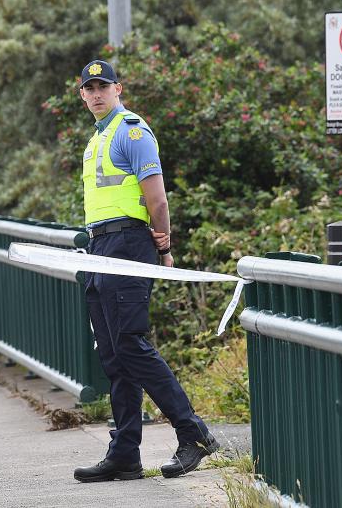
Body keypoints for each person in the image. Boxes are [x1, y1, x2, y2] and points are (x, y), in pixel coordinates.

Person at [72, 59, 219, 483]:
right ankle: (125, 454)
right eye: (89, 88)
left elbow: (157, 199)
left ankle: (194, 434)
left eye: (104, 86)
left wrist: (165, 244)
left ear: (118, 88)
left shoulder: (131, 130)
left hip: (129, 243)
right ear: (82, 95)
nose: (97, 93)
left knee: (131, 344)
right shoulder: (96, 138)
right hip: (99, 245)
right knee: (114, 354)